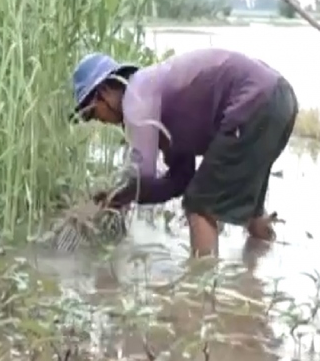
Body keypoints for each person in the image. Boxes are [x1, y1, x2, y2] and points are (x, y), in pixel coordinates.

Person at [71, 47, 298, 257]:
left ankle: (201, 290)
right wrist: (125, 197)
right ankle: (265, 265)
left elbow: (142, 176)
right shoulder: (157, 101)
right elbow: (180, 180)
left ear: (105, 92)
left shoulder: (137, 95)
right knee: (252, 210)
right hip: (280, 100)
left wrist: (112, 197)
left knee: (199, 204)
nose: (99, 121)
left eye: (92, 114)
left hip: (255, 102)